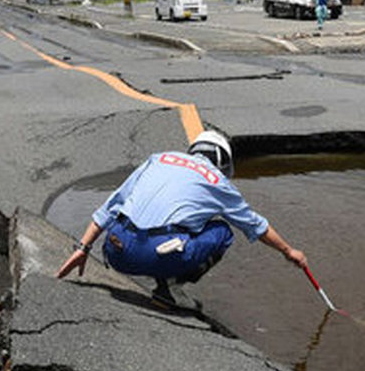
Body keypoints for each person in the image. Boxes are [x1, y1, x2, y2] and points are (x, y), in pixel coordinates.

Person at [56, 130, 308, 309]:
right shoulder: (217, 181)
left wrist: (83, 248)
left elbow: (113, 204)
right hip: (155, 253)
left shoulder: (158, 159)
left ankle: (162, 273)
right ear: (223, 161)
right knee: (222, 230)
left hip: (115, 249)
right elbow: (255, 225)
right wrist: (288, 251)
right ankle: (171, 288)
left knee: (151, 221)